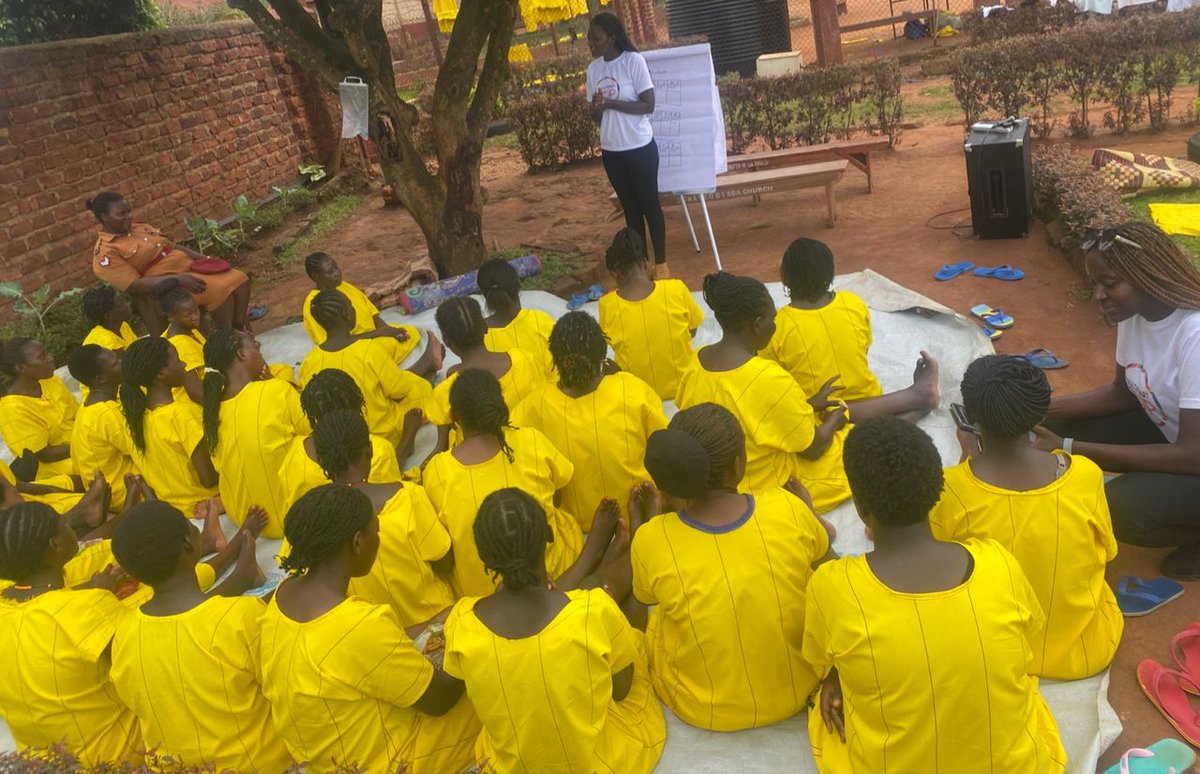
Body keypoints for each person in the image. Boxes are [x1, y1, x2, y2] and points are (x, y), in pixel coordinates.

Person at [803, 417, 1066, 773]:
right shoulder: (997, 562)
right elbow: (1026, 634)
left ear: (862, 507)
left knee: (829, 706)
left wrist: (834, 676)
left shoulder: (833, 585)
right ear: (936, 492)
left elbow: (823, 655)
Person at [631, 403, 831, 731]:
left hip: (701, 707)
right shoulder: (786, 507)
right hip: (799, 687)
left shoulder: (651, 538)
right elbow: (829, 568)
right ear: (738, 466)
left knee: (664, 613)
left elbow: (647, 598)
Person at [444, 487, 666, 773]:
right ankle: (639, 548)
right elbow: (622, 690)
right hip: (597, 762)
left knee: (589, 604)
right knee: (612, 615)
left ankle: (619, 552)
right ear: (549, 536)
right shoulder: (591, 611)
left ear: (485, 559)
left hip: (518, 765)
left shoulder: (462, 622)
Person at [260, 485, 479, 774]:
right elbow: (439, 700)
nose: (378, 538)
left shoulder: (282, 597)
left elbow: (362, 652)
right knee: (489, 690)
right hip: (386, 762)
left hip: (322, 758)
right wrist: (475, 645)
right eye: (376, 532)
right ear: (358, 543)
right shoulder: (360, 625)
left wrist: (435, 621)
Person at [931, 355, 1121, 680]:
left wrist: (967, 458)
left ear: (971, 417)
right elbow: (1108, 552)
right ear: (1039, 414)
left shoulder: (951, 489)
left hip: (997, 655)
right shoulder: (1085, 474)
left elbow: (934, 564)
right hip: (1086, 651)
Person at [1035, 222, 1200, 579]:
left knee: (1120, 508)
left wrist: (1069, 447)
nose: (1098, 295)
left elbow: (1192, 455)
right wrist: (1037, 411)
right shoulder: (1135, 314)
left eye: (1110, 285)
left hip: (1192, 452)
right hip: (1179, 437)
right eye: (1095, 283)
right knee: (1048, 427)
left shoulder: (1195, 334)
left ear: (1147, 276)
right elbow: (1122, 393)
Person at [108, 500, 291, 772]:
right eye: (193, 530)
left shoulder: (124, 635)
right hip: (255, 765)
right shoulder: (241, 618)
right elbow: (286, 688)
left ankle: (244, 575)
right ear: (188, 543)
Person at [676, 272, 850, 513]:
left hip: (716, 487)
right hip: (769, 488)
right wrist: (833, 421)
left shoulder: (695, 363)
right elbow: (813, 448)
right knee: (854, 442)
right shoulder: (769, 377)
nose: (775, 325)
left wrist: (807, 405)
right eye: (773, 318)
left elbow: (745, 411)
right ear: (757, 324)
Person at [0, 501, 141, 766]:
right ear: (55, 545)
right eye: (63, 523)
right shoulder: (85, 609)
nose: (69, 525)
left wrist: (97, 591)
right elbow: (155, 655)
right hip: (112, 757)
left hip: (43, 760)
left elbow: (43, 609)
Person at [423, 369, 582, 596]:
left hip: (480, 593)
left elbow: (444, 551)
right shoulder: (530, 440)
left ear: (455, 417)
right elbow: (557, 496)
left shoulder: (437, 471)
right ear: (499, 403)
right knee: (565, 521)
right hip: (548, 568)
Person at [513, 311, 667, 528]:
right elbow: (663, 446)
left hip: (577, 529)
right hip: (638, 513)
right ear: (603, 352)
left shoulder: (533, 405)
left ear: (555, 358)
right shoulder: (631, 388)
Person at [764, 238, 940, 422]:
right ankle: (913, 404)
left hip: (820, 411)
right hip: (872, 399)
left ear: (783, 277)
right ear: (831, 274)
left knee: (817, 421)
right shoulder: (853, 303)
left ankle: (913, 402)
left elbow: (776, 387)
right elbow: (862, 351)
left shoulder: (775, 326)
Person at [311, 408, 456, 628]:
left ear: (321, 461)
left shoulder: (316, 522)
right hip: (436, 624)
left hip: (384, 636)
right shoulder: (408, 497)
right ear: (369, 449)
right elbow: (445, 563)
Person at [87, 191, 257, 333]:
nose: (128, 217)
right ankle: (227, 335)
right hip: (167, 285)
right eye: (121, 214)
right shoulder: (106, 252)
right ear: (104, 217)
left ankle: (237, 328)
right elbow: (134, 285)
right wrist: (177, 280)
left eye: (129, 211)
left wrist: (204, 259)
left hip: (190, 269)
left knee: (239, 278)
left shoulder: (139, 228)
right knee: (220, 289)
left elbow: (173, 247)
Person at [203, 328, 310, 538]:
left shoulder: (212, 412)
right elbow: (316, 433)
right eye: (254, 345)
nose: (259, 348)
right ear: (241, 355)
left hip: (247, 520)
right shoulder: (276, 390)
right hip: (297, 515)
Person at [299, 289, 433, 450]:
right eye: (351, 306)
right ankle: (430, 365)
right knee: (421, 388)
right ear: (346, 314)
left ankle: (429, 364)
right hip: (382, 432)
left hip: (342, 438)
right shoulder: (369, 349)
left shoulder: (308, 362)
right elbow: (399, 390)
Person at [587, 13, 667, 277]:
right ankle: (640, 266)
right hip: (612, 151)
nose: (591, 43)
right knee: (631, 211)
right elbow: (596, 116)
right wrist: (597, 107)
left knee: (649, 207)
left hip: (640, 148)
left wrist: (610, 103)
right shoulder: (593, 70)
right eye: (589, 38)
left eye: (595, 38)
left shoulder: (633, 62)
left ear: (611, 38)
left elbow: (648, 104)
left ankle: (662, 265)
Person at [426, 296, 545, 454]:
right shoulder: (524, 359)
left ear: (447, 341)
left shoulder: (446, 391)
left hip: (482, 457)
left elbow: (442, 423)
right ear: (485, 327)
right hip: (535, 444)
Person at [279, 369, 405, 514]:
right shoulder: (379, 450)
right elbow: (394, 500)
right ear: (356, 402)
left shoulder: (294, 453)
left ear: (311, 414)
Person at [119, 337, 219, 518]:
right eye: (177, 360)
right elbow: (209, 478)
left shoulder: (132, 422)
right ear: (161, 374)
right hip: (206, 501)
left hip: (174, 508)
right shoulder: (181, 415)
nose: (184, 364)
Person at [598, 228, 703, 400]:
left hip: (638, 396)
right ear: (645, 264)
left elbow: (611, 345)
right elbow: (692, 331)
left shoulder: (607, 305)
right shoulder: (676, 289)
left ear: (614, 275)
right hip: (685, 390)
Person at [302, 251, 423, 364]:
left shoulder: (344, 286)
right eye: (330, 271)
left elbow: (372, 313)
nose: (337, 273)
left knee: (411, 332)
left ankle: (384, 360)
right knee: (373, 356)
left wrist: (388, 331)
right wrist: (380, 333)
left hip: (373, 336)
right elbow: (335, 344)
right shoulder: (314, 305)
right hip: (351, 348)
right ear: (315, 277)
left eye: (336, 267)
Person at [68, 345, 139, 508]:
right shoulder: (107, 412)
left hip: (104, 489)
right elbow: (143, 449)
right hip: (120, 492)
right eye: (115, 363)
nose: (122, 362)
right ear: (101, 378)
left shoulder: (88, 407)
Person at [0, 337, 79, 479]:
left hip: (84, 445)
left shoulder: (50, 381)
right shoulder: (12, 409)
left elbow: (78, 414)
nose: (50, 358)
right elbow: (44, 454)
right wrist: (87, 444)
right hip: (60, 468)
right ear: (22, 368)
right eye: (41, 357)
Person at [477, 257, 556, 377]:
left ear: (483, 294)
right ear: (517, 285)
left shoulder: (477, 335)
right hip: (549, 394)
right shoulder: (541, 320)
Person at [81, 285, 138, 352]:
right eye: (121, 304)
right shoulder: (107, 343)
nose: (128, 304)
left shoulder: (123, 326)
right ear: (109, 315)